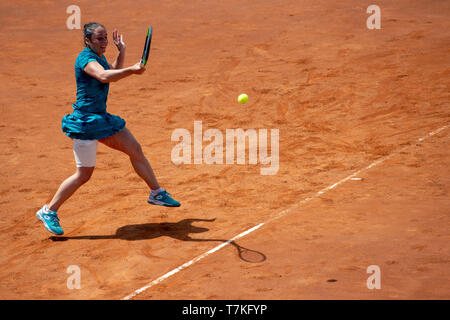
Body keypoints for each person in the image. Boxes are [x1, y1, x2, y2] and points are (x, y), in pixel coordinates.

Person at [36, 22, 180, 236]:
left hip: (100, 120)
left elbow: (110, 72)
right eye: (100, 39)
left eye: (105, 38)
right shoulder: (85, 59)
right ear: (87, 40)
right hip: (86, 123)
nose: (104, 43)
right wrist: (132, 69)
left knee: (133, 150)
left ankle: (156, 192)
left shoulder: (97, 57)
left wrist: (122, 52)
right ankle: (49, 210)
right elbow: (103, 77)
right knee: (83, 174)